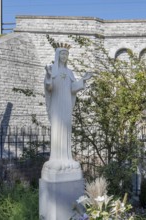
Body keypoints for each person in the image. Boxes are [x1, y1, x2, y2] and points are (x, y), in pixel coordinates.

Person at [42, 46, 92, 179]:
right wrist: (48, 74)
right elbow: (49, 87)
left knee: (67, 129)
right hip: (57, 104)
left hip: (67, 104)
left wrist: (84, 79)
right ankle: (56, 159)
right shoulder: (53, 71)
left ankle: (67, 158)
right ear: (58, 55)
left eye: (66, 54)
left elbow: (73, 88)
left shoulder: (70, 73)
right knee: (58, 129)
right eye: (62, 54)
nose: (64, 56)